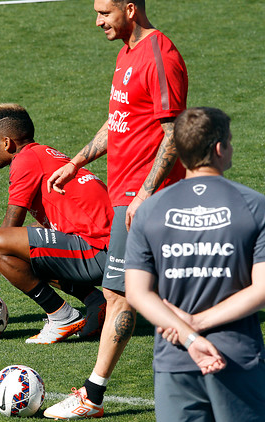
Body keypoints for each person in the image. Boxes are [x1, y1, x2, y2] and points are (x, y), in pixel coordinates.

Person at [44, 0, 188, 418]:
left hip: (144, 197)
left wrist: (145, 193)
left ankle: (93, 395)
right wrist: (75, 162)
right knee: (163, 291)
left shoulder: (160, 54)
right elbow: (119, 120)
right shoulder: (127, 54)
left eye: (104, 12)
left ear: (130, 9)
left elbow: (174, 133)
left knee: (119, 293)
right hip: (126, 193)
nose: (97, 21)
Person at [125, 107, 265, 421]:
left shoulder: (149, 211)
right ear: (219, 149)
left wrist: (188, 335)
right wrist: (197, 323)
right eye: (229, 141)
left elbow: (136, 293)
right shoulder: (254, 206)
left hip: (175, 359)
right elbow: (263, 289)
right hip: (236, 357)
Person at [0, 103, 113, 344]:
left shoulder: (25, 160)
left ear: (7, 143)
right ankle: (94, 302)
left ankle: (61, 317)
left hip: (101, 252)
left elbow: (9, 225)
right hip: (113, 249)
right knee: (25, 241)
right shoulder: (43, 153)